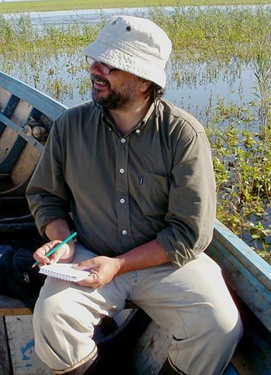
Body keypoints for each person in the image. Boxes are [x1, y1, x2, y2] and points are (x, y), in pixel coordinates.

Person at [26, 15, 243, 375]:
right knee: (52, 318)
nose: (95, 69)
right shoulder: (70, 126)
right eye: (95, 60)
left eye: (109, 65)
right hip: (87, 255)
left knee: (218, 325)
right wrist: (61, 241)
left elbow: (189, 233)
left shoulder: (183, 134)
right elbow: (45, 197)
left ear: (144, 81)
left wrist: (119, 265)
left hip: (163, 262)